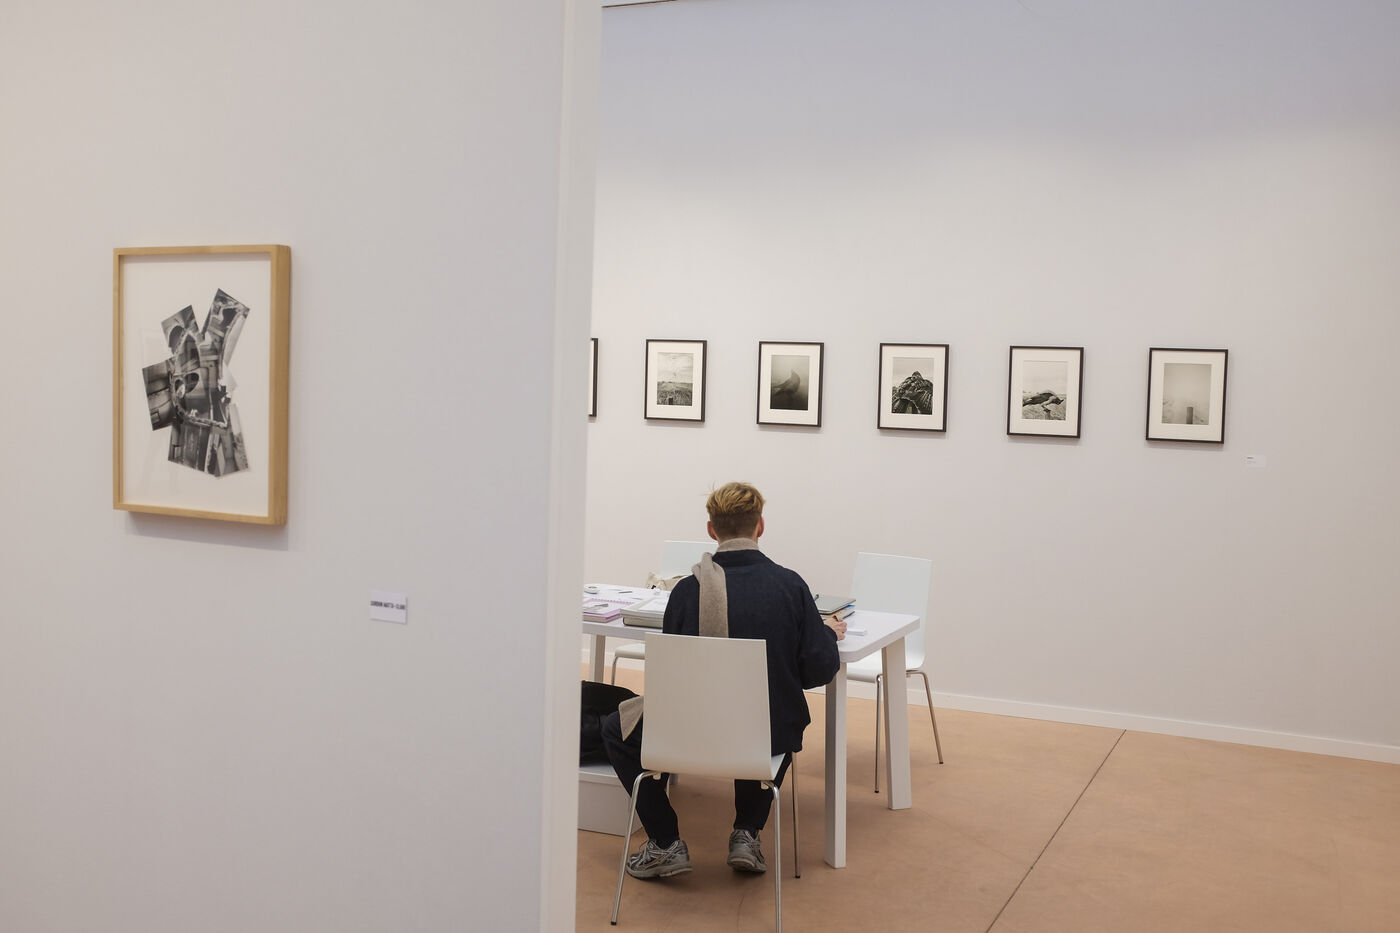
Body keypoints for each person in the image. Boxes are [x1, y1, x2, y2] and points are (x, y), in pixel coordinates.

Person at [601, 482, 845, 880]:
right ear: (760, 526)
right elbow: (817, 670)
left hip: (692, 734)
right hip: (766, 737)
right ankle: (747, 833)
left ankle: (664, 843)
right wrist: (827, 635)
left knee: (616, 727)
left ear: (711, 530)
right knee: (769, 708)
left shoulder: (687, 591)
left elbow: (676, 676)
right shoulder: (790, 586)